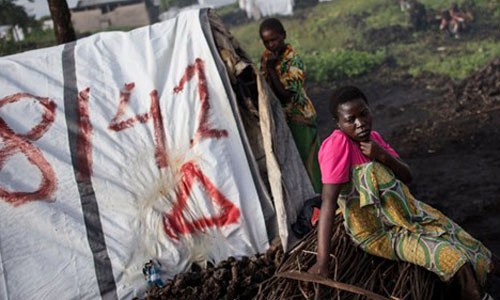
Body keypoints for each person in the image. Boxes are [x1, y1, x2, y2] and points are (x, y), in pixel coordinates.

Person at [308, 85, 497, 299]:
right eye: (351, 119)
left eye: (364, 114)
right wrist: (322, 261)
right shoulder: (338, 145)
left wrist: (381, 155)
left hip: (410, 215)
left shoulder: (375, 139)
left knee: (470, 245)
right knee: (454, 259)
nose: (360, 123)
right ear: (338, 123)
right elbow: (329, 202)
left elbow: (407, 176)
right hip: (381, 232)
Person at [259, 17, 322, 193]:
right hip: (281, 120)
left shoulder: (294, 61)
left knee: (310, 164)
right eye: (266, 42)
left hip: (299, 119)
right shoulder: (267, 57)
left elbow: (286, 97)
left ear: (284, 36)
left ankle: (322, 202)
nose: (271, 45)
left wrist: (271, 69)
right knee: (292, 165)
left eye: (274, 40)